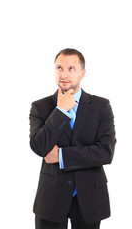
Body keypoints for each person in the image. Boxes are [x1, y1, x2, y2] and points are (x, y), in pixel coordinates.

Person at [29, 48, 116, 229]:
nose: (64, 74)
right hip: (51, 198)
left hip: (89, 197)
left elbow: (105, 152)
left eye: (71, 68)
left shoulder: (101, 106)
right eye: (59, 68)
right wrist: (60, 111)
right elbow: (39, 146)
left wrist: (61, 156)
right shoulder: (40, 107)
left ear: (82, 73)